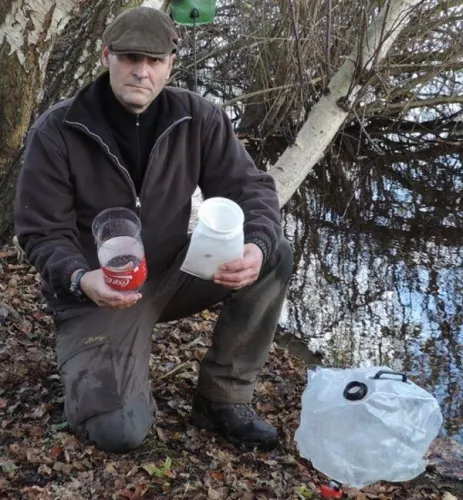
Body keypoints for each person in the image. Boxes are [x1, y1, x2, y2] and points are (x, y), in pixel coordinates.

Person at [14, 6, 293, 454]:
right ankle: (109, 375)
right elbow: (41, 231)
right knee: (118, 431)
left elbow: (251, 189)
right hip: (98, 289)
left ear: (170, 64)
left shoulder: (197, 117)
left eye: (154, 61)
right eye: (129, 58)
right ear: (106, 56)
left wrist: (255, 246)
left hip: (174, 272)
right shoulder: (58, 130)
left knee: (274, 250)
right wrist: (79, 279)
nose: (141, 72)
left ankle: (222, 397)